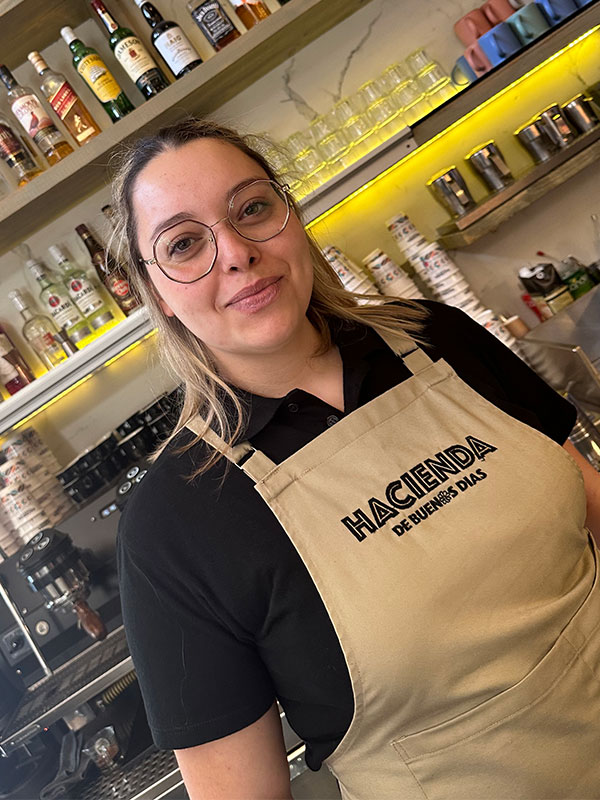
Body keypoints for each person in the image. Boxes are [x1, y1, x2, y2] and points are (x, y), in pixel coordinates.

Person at [113, 118, 600, 800]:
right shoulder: (176, 522)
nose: (237, 253)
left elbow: (589, 502)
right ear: (157, 292)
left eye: (252, 209)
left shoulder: (438, 337)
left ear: (292, 216)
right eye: (185, 244)